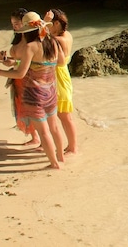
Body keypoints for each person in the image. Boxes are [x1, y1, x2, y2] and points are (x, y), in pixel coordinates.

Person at [0, 11, 64, 169]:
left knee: (43, 132)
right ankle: (61, 158)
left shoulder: (30, 47)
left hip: (34, 96)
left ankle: (54, 164)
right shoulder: (53, 42)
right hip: (51, 92)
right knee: (54, 127)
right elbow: (61, 63)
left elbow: (20, 73)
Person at [0, 9, 40, 149]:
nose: (15, 26)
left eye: (17, 23)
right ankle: (35, 137)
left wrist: (2, 69)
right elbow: (17, 62)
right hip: (19, 78)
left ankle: (40, 138)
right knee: (23, 108)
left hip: (30, 79)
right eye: (12, 24)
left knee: (34, 110)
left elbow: (31, 63)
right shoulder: (19, 39)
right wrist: (6, 60)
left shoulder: (31, 42)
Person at [45, 8, 78, 154]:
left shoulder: (57, 40)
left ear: (56, 23)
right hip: (63, 75)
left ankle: (72, 147)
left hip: (58, 78)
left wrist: (43, 23)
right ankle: (72, 146)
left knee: (64, 115)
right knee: (64, 115)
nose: (47, 27)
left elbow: (38, 38)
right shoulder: (68, 35)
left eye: (50, 24)